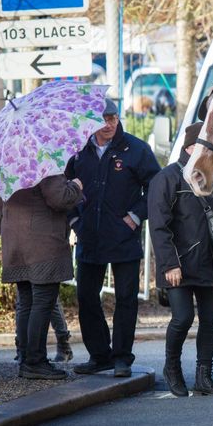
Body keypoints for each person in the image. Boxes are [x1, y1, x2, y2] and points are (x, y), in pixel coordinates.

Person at [65, 99, 161, 377]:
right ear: (92, 122)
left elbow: (154, 187)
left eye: (113, 118)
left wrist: (135, 216)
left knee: (126, 299)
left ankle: (121, 357)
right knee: (86, 296)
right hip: (89, 237)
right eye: (104, 119)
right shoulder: (78, 152)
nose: (109, 125)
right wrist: (74, 220)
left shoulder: (135, 149)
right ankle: (99, 355)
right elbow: (63, 186)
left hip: (123, 238)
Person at [148, 122, 213, 397]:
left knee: (210, 321)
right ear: (191, 146)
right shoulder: (167, 179)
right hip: (179, 266)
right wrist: (169, 265)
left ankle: (204, 376)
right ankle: (172, 369)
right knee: (183, 318)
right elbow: (158, 227)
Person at [0, 175, 83, 379]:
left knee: (26, 303)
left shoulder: (11, 176)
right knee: (42, 303)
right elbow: (60, 199)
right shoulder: (44, 167)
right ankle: (35, 361)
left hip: (17, 251)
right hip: (43, 249)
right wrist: (76, 186)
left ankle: (26, 358)